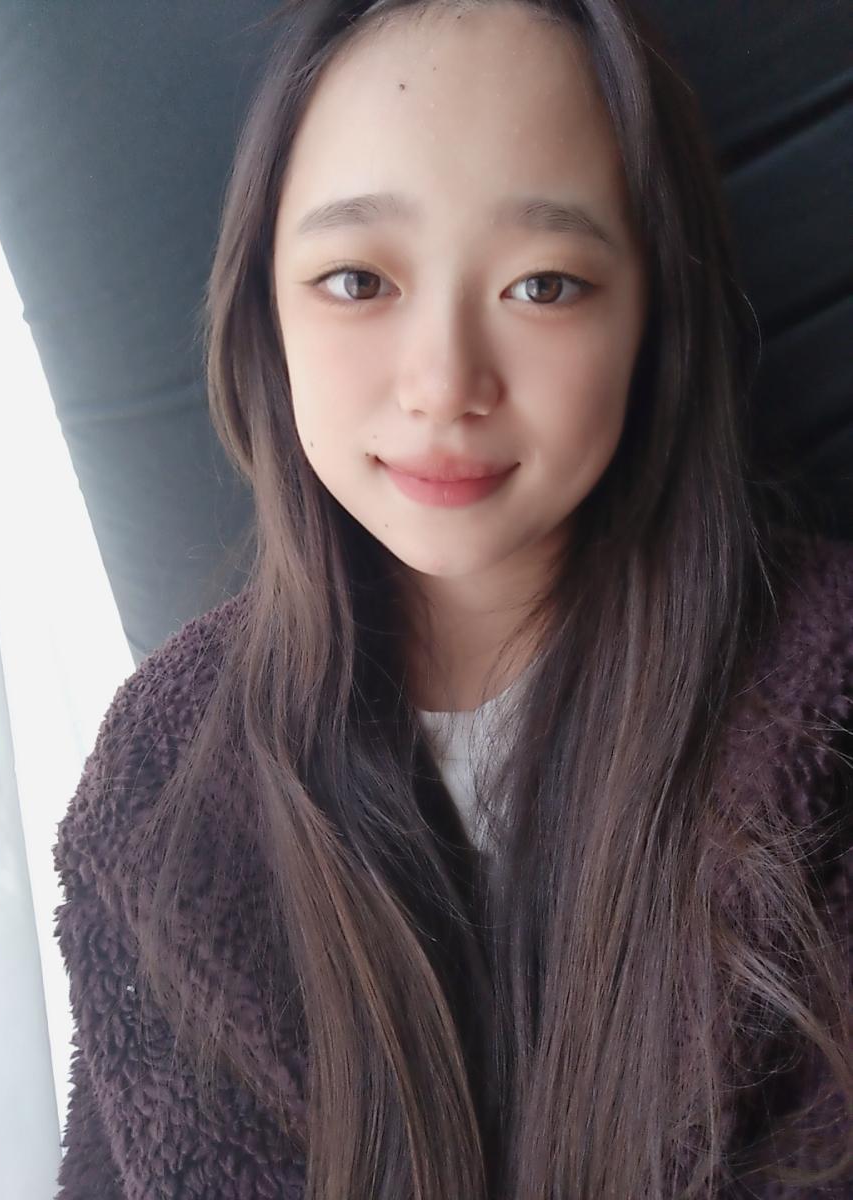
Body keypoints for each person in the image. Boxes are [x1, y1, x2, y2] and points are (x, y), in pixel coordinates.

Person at [53, 1, 853, 1197]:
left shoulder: (826, 717)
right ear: (265, 310)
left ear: (653, 319)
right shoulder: (163, 782)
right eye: (357, 279)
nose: (445, 384)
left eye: (544, 285)